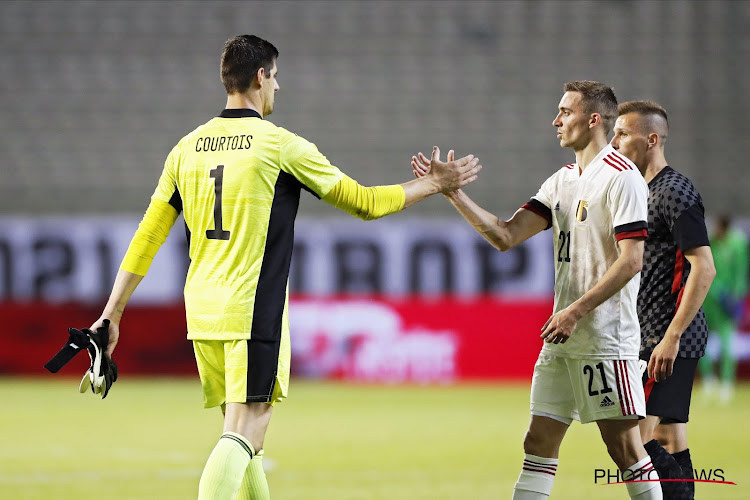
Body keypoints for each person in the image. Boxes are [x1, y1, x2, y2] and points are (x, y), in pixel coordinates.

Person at [88, 34, 481, 500]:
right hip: (252, 308)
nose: (279, 86)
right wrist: (434, 185)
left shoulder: (187, 148)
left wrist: (112, 313)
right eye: (276, 77)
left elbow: (148, 236)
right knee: (246, 428)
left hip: (203, 312)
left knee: (245, 442)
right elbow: (366, 203)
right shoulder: (279, 145)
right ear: (261, 76)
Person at [412, 81, 661, 499]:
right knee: (537, 444)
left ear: (594, 119)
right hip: (561, 340)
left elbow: (631, 260)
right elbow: (506, 235)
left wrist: (575, 312)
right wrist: (451, 191)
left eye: (565, 112)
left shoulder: (623, 179)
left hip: (604, 338)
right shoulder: (561, 181)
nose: (556, 120)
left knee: (624, 448)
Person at [611, 100, 715, 500]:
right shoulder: (642, 190)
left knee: (631, 443)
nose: (615, 141)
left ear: (651, 139)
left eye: (622, 133)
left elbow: (704, 267)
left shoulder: (675, 190)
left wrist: (671, 337)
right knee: (670, 438)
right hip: (654, 334)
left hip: (668, 337)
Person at [699, 214, 749, 402]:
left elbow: (741, 272)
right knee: (701, 343)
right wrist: (714, 291)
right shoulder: (709, 241)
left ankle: (727, 382)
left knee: (728, 344)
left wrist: (735, 297)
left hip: (727, 302)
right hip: (708, 299)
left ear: (725, 228)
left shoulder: (738, 244)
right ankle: (708, 381)